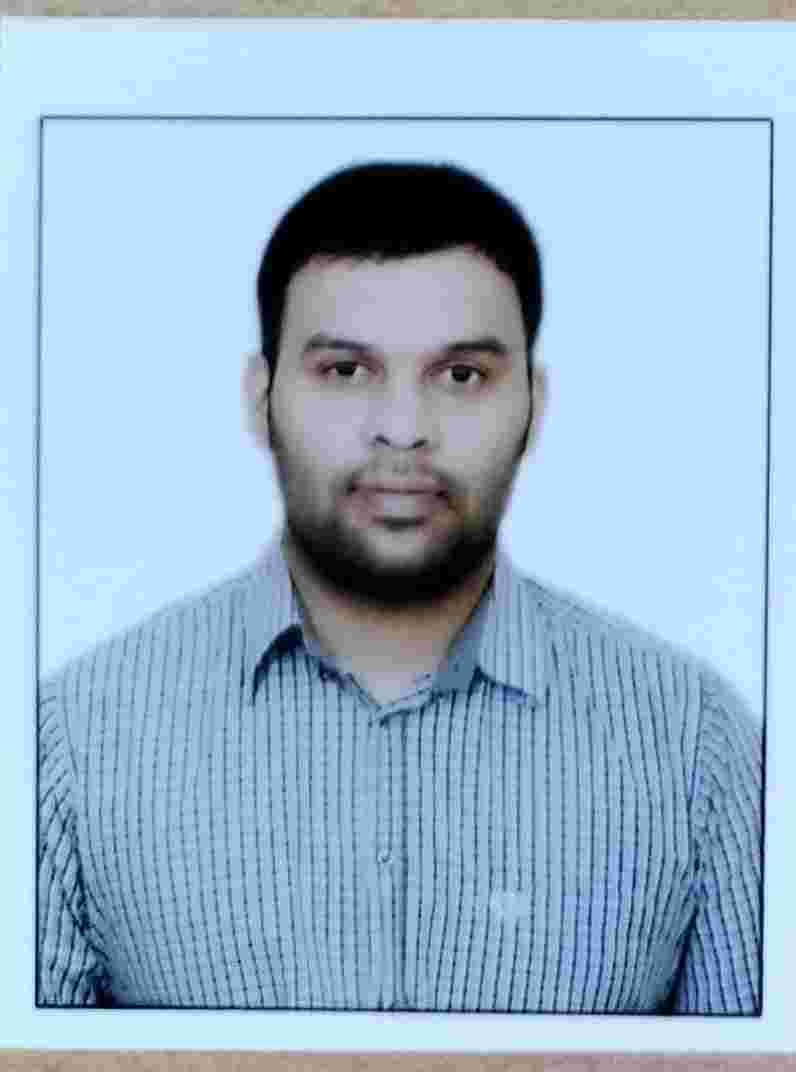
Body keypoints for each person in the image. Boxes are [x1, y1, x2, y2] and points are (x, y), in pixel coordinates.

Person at [37, 160, 762, 1013]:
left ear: (534, 403)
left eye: (461, 376)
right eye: (346, 371)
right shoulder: (73, 745)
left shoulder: (694, 744)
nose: (404, 429)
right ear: (260, 398)